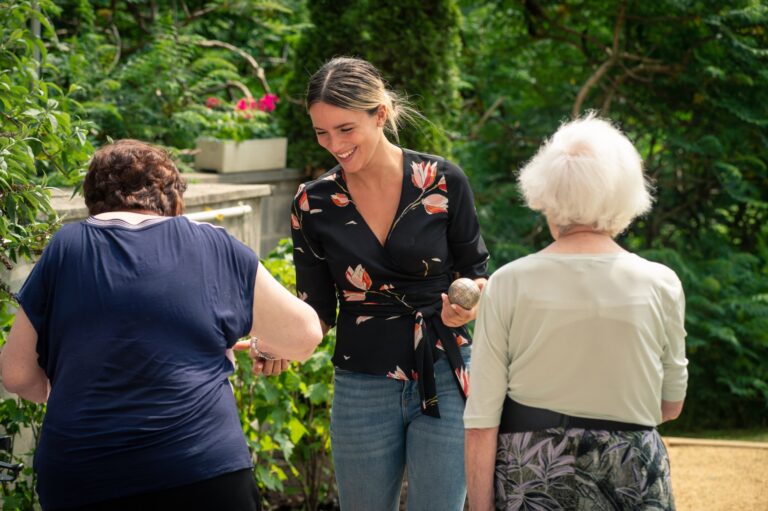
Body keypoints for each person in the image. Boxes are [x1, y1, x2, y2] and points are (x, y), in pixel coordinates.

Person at [0, 139, 323, 511]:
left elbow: (17, 374)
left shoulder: (67, 247)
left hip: (84, 474)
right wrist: (264, 347)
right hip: (202, 470)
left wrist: (76, 393)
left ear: (92, 199)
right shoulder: (213, 244)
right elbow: (305, 336)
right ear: (174, 200)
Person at [291, 57, 489, 511]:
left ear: (379, 114)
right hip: (361, 381)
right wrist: (279, 343)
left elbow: (475, 271)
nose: (334, 144)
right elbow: (317, 310)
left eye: (345, 129)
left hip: (445, 367)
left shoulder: (442, 182)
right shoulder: (312, 202)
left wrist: (469, 302)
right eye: (322, 132)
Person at [464, 114, 688, 510]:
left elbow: (482, 419)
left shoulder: (509, 282)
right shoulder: (662, 283)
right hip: (632, 471)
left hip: (533, 472)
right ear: (625, 197)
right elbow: (670, 407)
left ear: (545, 194)